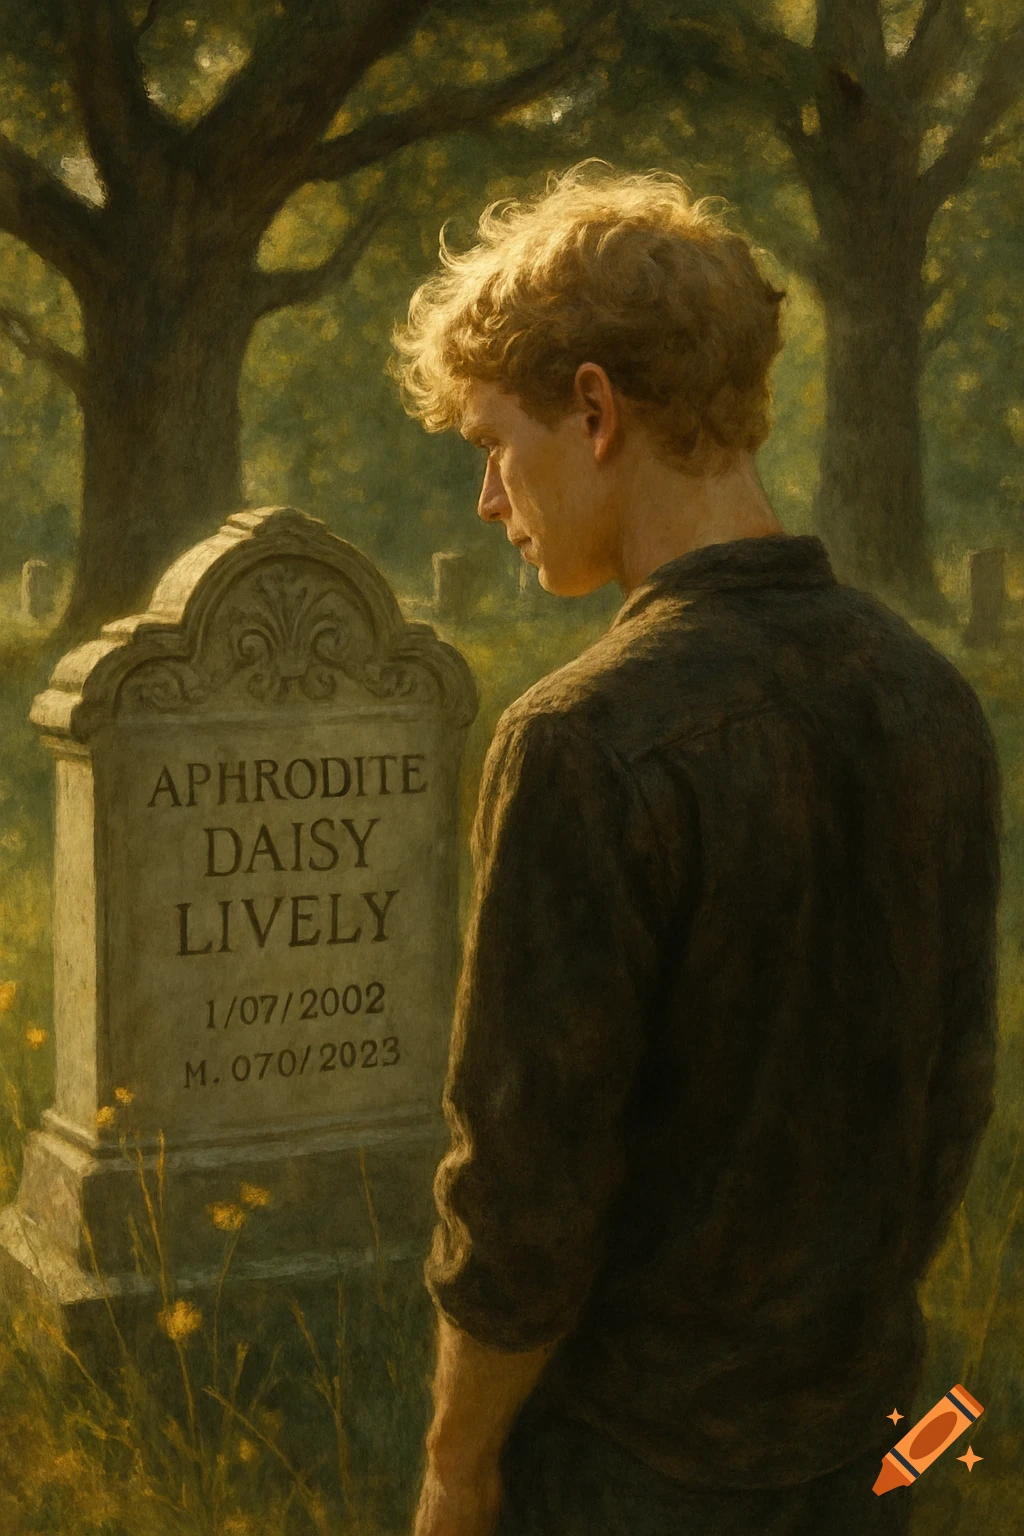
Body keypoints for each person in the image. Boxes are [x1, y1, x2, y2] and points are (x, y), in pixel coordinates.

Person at [389, 166, 1000, 1536]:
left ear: (596, 410)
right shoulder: (929, 696)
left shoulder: (579, 743)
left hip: (627, 1473)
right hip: (861, 1443)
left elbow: (519, 1202)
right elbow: (954, 1098)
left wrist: (455, 1465)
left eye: (495, 444)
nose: (491, 500)